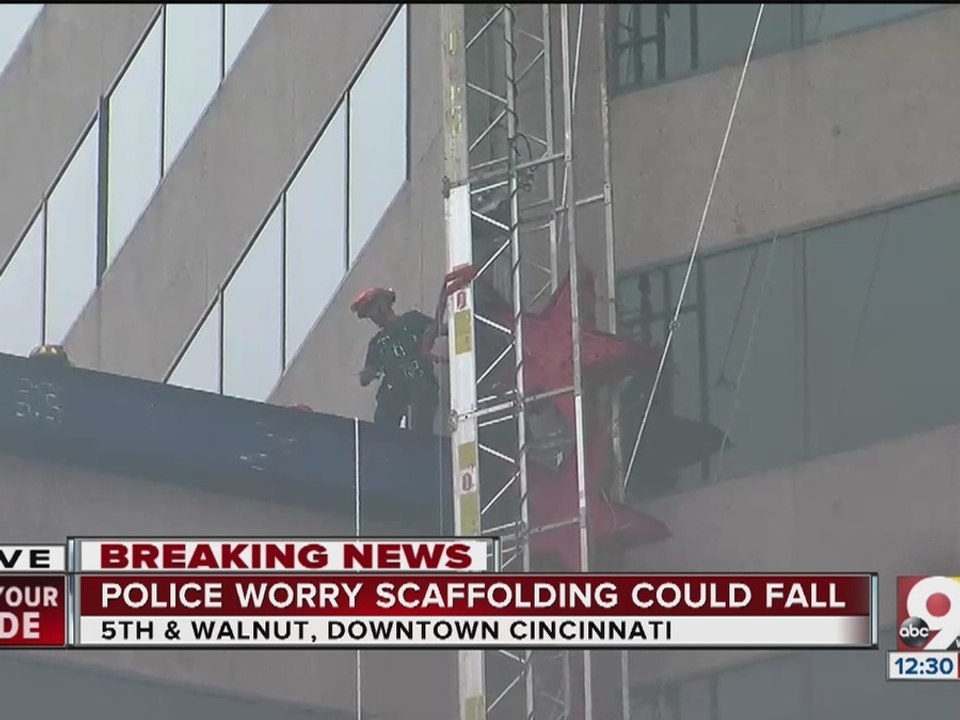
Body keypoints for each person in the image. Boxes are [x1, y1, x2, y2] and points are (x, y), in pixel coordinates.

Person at [352, 269, 475, 434]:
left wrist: (460, 323)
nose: (372, 317)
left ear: (382, 305)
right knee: (383, 419)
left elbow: (438, 329)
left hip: (420, 386)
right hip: (394, 393)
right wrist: (367, 374)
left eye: (372, 309)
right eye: (368, 314)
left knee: (420, 422)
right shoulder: (377, 344)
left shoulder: (411, 320)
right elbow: (368, 374)